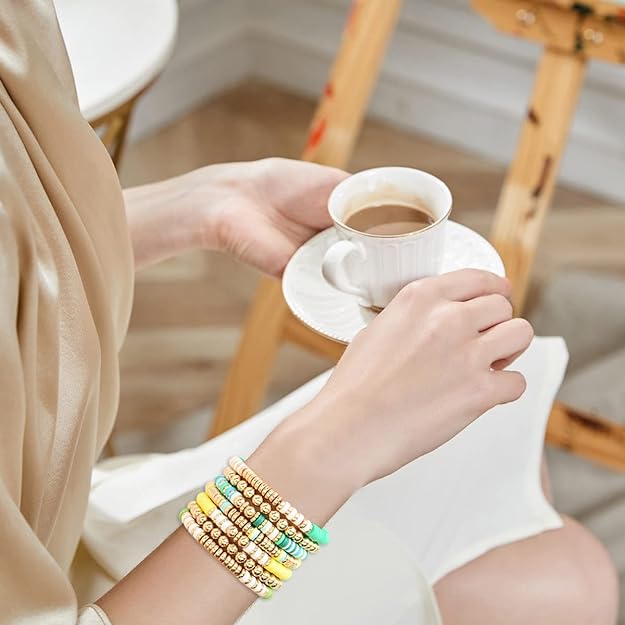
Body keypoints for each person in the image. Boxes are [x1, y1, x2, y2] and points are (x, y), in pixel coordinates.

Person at [0, 2, 618, 624]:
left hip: (61, 526)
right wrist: (332, 443)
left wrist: (200, 203)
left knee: (519, 479)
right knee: (570, 585)